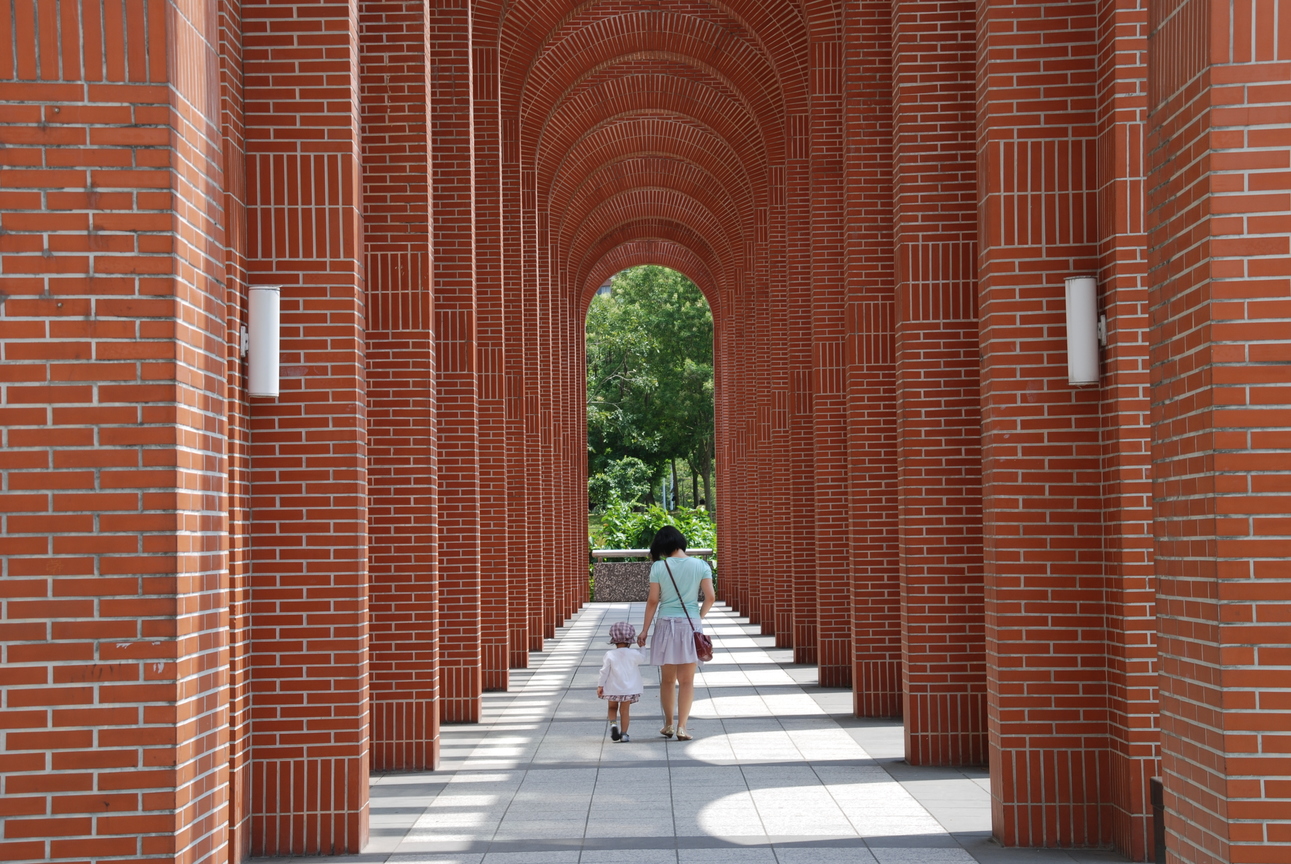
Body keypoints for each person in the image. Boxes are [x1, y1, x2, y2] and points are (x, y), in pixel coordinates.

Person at [637, 525, 715, 741]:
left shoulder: (659, 567)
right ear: (680, 542)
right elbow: (710, 597)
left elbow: (653, 600)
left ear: (662, 547)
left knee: (668, 680)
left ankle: (668, 725)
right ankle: (682, 727)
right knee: (687, 681)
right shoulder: (701, 565)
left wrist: (644, 630)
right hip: (690, 626)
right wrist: (699, 616)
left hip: (666, 625)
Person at [597, 621, 646, 742]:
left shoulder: (610, 654)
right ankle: (624, 734)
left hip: (613, 688)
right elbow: (643, 658)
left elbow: (604, 671)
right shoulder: (634, 654)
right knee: (625, 711)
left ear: (613, 638)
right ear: (630, 639)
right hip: (629, 689)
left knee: (612, 707)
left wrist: (600, 686)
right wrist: (643, 646)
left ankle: (613, 725)